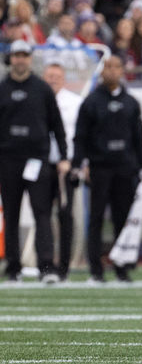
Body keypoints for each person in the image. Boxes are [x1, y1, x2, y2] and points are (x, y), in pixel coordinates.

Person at [72, 55, 142, 283]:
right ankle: (96, 269)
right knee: (96, 218)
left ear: (122, 70)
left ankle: (122, 267)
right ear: (102, 71)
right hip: (100, 167)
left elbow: (138, 138)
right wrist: (79, 164)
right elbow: (81, 136)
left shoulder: (131, 102)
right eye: (108, 67)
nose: (112, 71)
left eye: (116, 67)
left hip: (125, 168)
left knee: (122, 218)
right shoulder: (91, 101)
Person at [0, 40, 70, 283]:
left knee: (42, 213)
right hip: (8, 160)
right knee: (11, 215)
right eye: (17, 55)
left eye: (24, 55)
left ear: (30, 58)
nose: (20, 60)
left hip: (37, 160)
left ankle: (46, 266)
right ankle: (13, 267)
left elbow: (57, 126)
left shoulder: (42, 89)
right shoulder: (2, 88)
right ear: (11, 58)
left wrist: (63, 156)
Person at [43, 60, 83, 281]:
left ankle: (65, 265)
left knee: (66, 215)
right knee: (42, 216)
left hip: (65, 166)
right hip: (41, 164)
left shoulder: (74, 102)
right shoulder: (38, 99)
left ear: (64, 79)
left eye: (57, 77)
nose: (53, 80)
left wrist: (74, 162)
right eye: (50, 76)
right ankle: (46, 265)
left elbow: (81, 135)